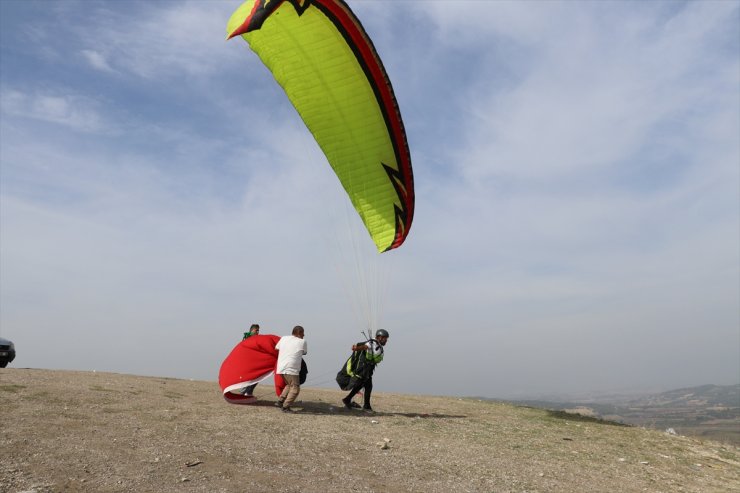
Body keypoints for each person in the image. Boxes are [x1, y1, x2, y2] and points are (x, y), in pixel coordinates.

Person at [340, 329, 388, 413]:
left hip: (368, 369)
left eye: (386, 339)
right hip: (364, 369)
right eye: (384, 338)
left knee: (364, 385)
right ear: (379, 337)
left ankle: (349, 400)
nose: (386, 340)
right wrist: (356, 348)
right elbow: (365, 347)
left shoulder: (378, 346)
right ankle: (365, 406)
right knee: (366, 385)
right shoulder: (372, 343)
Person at [275, 325, 307, 413]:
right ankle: (286, 407)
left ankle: (280, 401)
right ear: (299, 333)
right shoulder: (302, 341)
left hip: (281, 366)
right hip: (292, 368)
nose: (304, 335)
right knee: (295, 388)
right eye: (303, 333)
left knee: (289, 385)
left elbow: (276, 348)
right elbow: (304, 352)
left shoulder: (283, 338)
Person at [240, 324, 261, 397]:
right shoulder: (247, 337)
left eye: (258, 330)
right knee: (249, 377)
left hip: (254, 361)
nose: (258, 332)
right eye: (256, 330)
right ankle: (245, 392)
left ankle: (247, 392)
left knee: (257, 377)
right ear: (252, 330)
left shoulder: (256, 338)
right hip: (248, 361)